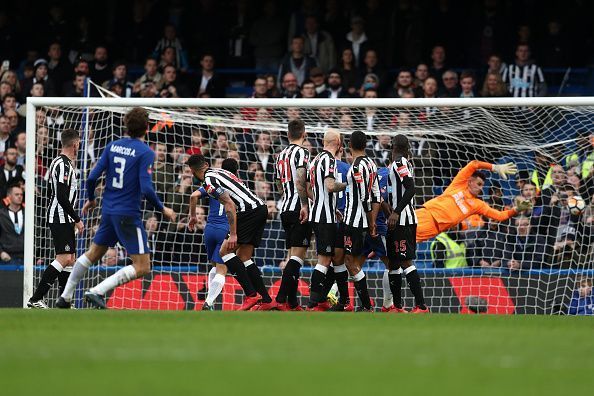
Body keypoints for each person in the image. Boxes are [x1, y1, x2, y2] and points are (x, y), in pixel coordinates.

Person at [56, 108, 176, 309]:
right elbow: (146, 188)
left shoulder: (113, 146)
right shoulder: (146, 152)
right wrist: (163, 209)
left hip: (109, 211)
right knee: (143, 266)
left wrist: (92, 198)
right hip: (128, 214)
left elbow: (92, 177)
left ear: (126, 125)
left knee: (93, 253)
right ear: (147, 128)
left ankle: (65, 297)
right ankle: (97, 291)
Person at [186, 154, 271, 311]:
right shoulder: (220, 172)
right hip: (261, 208)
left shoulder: (209, 182)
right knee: (244, 257)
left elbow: (229, 204)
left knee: (224, 251)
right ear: (206, 163)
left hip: (247, 212)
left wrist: (233, 234)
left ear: (192, 171)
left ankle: (251, 295)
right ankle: (266, 299)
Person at [28, 130, 83, 308]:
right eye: (79, 144)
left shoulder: (65, 164)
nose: (79, 147)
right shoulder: (62, 164)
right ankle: (35, 299)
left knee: (70, 259)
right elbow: (60, 195)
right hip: (60, 216)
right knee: (64, 258)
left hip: (64, 217)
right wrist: (77, 218)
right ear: (74, 145)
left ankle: (63, 302)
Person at [416, 160, 532, 243]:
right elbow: (474, 164)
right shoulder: (459, 184)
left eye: (482, 185)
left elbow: (500, 216)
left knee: (401, 249)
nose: (481, 188)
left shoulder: (478, 204)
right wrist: (495, 167)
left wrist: (516, 209)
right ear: (470, 181)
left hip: (433, 229)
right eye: (479, 184)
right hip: (425, 214)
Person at [383, 135, 428, 313]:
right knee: (393, 263)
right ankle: (398, 307)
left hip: (403, 220)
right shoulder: (396, 164)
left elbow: (411, 188)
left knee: (405, 262)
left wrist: (395, 212)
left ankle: (422, 306)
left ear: (392, 146)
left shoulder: (400, 162)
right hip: (396, 221)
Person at [188, 158, 240, 311]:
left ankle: (210, 302)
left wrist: (192, 216)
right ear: (236, 172)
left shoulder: (212, 183)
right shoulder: (236, 185)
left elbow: (193, 196)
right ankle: (209, 303)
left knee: (215, 267)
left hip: (209, 230)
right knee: (222, 269)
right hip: (225, 229)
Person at [272, 119, 310, 311]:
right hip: (299, 209)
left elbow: (278, 183)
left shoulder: (280, 155)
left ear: (288, 135)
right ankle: (279, 299)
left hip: (285, 208)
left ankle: (292, 302)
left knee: (292, 255)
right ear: (304, 134)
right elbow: (302, 179)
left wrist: (287, 195)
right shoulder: (303, 153)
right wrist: (304, 203)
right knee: (297, 257)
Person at [306, 129, 346, 310]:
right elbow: (330, 186)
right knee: (324, 260)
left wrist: (330, 206)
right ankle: (314, 301)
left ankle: (317, 299)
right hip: (324, 217)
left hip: (320, 213)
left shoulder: (314, 161)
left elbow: (307, 188)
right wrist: (350, 183)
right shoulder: (329, 160)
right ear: (338, 144)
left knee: (326, 258)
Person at [342, 131, 380, 311]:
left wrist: (371, 221)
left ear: (350, 145)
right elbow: (377, 195)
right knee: (352, 261)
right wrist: (371, 221)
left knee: (350, 262)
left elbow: (365, 196)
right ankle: (362, 304)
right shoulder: (372, 164)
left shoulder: (357, 167)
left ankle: (366, 304)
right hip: (361, 222)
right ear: (365, 145)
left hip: (353, 221)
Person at [0, 184, 24, 265]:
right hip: (6, 257)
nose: (20, 196)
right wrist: (1, 252)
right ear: (9, 196)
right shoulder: (1, 215)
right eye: (17, 194)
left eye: (21, 194)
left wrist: (36, 253)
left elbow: (37, 233)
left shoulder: (29, 214)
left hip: (27, 257)